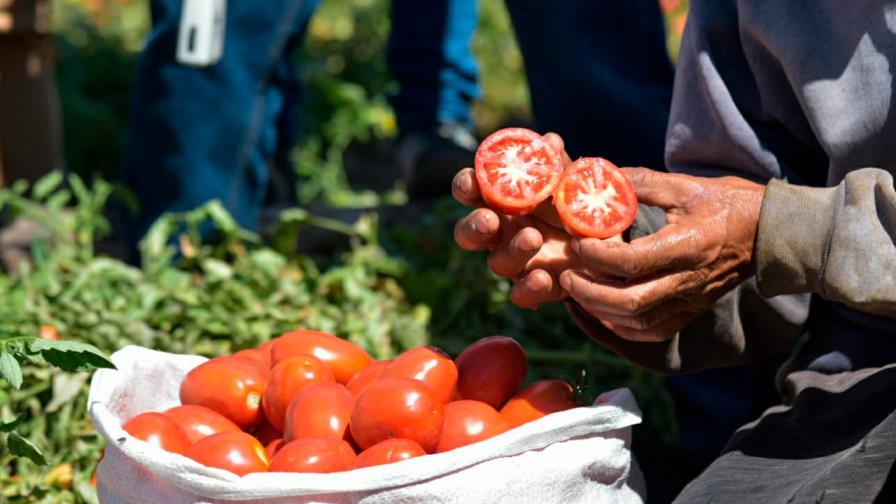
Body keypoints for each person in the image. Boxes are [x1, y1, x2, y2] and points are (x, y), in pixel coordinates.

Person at [452, 0, 896, 502]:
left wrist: (793, 231)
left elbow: (773, 228)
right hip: (854, 371)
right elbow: (754, 244)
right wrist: (629, 258)